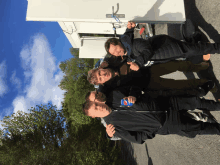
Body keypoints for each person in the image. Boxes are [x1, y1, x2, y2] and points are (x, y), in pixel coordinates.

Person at [82, 88, 220, 144]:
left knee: (195, 101)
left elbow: (134, 86)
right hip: (166, 124)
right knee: (197, 128)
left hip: (165, 103)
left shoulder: (114, 95)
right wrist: (153, 129)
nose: (99, 107)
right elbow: (136, 138)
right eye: (96, 110)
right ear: (95, 116)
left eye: (96, 104)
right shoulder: (112, 127)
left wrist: (134, 95)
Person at [103, 21, 219, 71]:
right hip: (166, 52)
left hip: (169, 48)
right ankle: (198, 39)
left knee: (193, 50)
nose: (116, 52)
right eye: (114, 53)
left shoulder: (134, 45)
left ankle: (215, 48)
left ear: (119, 43)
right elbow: (127, 35)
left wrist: (138, 63)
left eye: (116, 49)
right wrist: (130, 28)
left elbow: (147, 50)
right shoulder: (127, 53)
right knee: (191, 49)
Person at [87, 60, 216, 97]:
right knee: (179, 85)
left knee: (176, 65)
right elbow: (101, 99)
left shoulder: (112, 60)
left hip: (149, 69)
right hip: (150, 85)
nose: (103, 76)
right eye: (100, 79)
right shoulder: (109, 87)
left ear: (100, 68)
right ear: (101, 83)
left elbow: (125, 47)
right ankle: (204, 82)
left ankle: (199, 67)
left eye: (100, 73)